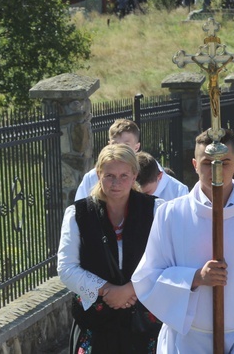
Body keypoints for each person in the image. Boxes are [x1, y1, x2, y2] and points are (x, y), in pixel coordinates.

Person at [131, 130, 234, 352]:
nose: (215, 170)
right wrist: (194, 278)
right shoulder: (170, 215)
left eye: (224, 162)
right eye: (207, 162)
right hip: (188, 341)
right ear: (194, 164)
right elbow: (146, 279)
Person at [58, 144, 164, 353]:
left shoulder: (156, 210)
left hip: (143, 323)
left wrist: (130, 290)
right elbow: (66, 268)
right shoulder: (79, 214)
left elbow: (166, 260)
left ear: (134, 175)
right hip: (96, 324)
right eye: (109, 175)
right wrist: (108, 290)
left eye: (124, 175)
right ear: (98, 174)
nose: (116, 183)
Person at [74, 119, 188, 202]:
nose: (120, 149)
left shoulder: (177, 190)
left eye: (126, 145)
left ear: (137, 147)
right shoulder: (91, 177)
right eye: (115, 144)